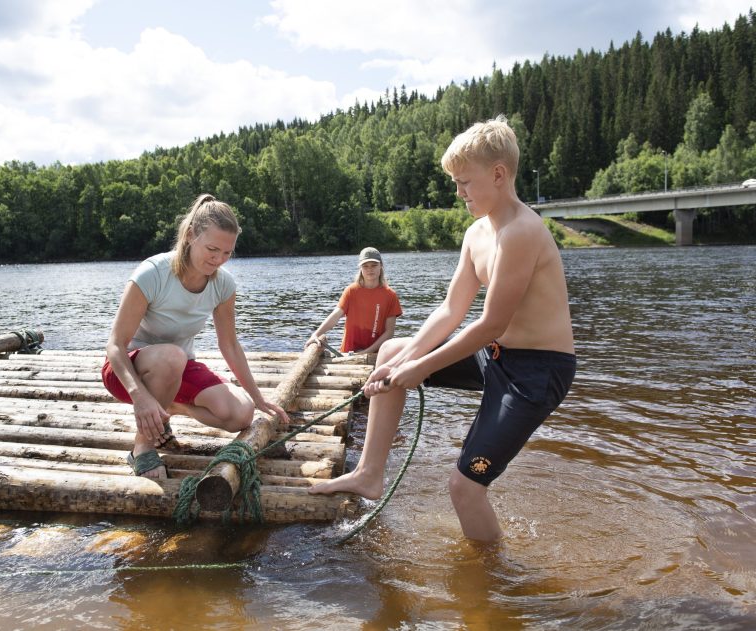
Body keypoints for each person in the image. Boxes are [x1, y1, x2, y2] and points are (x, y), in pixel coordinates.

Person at [310, 116, 576, 542]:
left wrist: (421, 367)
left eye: (465, 182)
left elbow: (491, 324)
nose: (458, 192)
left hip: (537, 372)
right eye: (455, 182)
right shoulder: (476, 234)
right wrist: (406, 359)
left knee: (464, 488)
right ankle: (369, 474)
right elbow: (451, 310)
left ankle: (492, 576)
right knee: (391, 351)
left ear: (498, 174)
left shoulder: (521, 233)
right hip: (496, 355)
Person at [102, 193, 288, 479]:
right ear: (190, 235)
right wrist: (140, 397)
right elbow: (115, 345)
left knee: (241, 413)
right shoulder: (152, 273)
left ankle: (168, 407)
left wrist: (258, 397)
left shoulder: (223, 285)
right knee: (172, 356)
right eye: (212, 249)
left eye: (227, 253)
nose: (218, 259)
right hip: (126, 372)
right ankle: (142, 448)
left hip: (176, 369)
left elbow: (230, 344)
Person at [305, 247, 402, 355]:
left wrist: (366, 352)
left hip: (376, 355)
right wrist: (316, 334)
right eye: (365, 266)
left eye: (374, 265)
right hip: (348, 354)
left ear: (381, 265)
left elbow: (389, 332)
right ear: (360, 268)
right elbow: (335, 315)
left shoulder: (390, 295)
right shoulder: (351, 291)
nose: (370, 269)